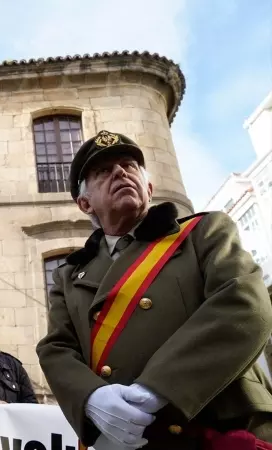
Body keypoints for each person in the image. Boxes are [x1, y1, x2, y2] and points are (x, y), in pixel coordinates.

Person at [36, 130, 272, 450]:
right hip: (128, 438)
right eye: (103, 171)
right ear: (84, 202)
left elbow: (243, 305)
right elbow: (56, 347)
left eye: (129, 165)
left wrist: (157, 388)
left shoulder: (202, 233)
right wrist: (91, 397)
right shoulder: (68, 275)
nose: (120, 172)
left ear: (149, 187)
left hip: (220, 425)